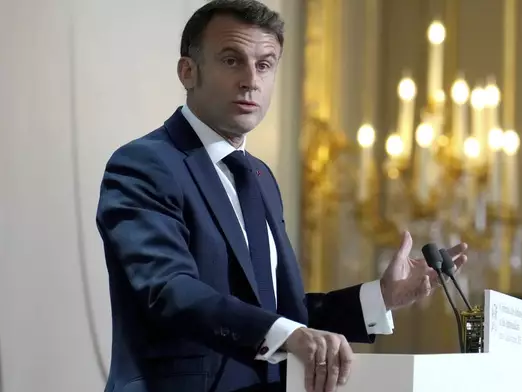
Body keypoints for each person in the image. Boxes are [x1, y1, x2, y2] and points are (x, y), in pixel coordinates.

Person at [95, 1, 468, 392]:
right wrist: (285, 334)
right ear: (188, 72)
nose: (250, 80)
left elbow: (282, 314)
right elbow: (169, 291)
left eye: (265, 64)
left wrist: (381, 297)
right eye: (231, 60)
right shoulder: (143, 164)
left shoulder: (259, 177)